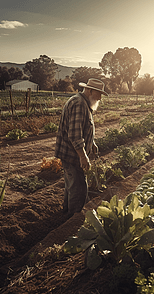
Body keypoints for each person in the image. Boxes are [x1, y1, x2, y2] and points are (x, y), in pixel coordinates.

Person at [55, 78, 108, 217]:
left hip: (72, 154)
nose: (100, 98)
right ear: (90, 91)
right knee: (79, 188)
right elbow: (74, 135)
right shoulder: (79, 104)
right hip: (72, 155)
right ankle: (73, 219)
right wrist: (83, 156)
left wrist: (92, 143)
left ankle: (67, 214)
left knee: (71, 185)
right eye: (99, 93)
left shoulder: (84, 103)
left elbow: (83, 128)